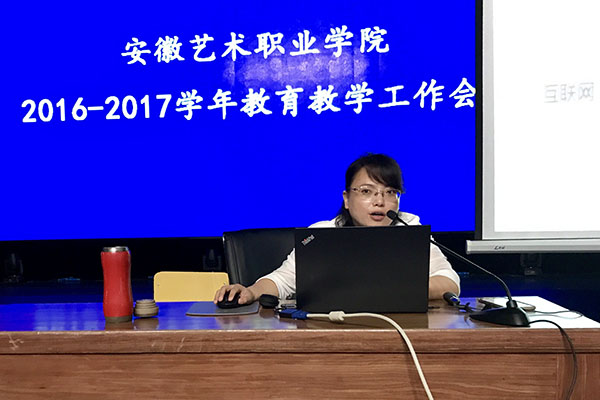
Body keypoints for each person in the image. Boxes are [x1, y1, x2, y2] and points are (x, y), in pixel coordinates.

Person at [214, 153, 460, 305]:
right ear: (346, 199)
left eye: (390, 192)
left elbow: (449, 281)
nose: (380, 201)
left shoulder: (409, 228)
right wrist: (250, 291)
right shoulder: (321, 234)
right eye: (367, 191)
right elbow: (283, 281)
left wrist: (391, 290)